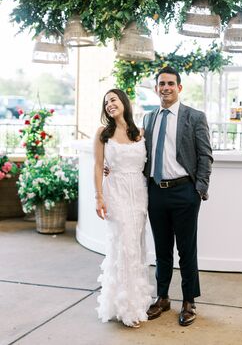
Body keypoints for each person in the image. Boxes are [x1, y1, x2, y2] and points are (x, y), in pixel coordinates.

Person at [143, 66, 213, 326]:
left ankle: (188, 301)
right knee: (161, 250)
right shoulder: (149, 118)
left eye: (171, 84)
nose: (166, 88)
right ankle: (162, 297)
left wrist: (199, 189)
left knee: (186, 250)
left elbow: (205, 155)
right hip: (155, 192)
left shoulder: (194, 117)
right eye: (162, 84)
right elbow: (143, 153)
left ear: (179, 88)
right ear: (156, 88)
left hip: (185, 192)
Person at [93, 88, 153, 328]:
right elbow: (98, 166)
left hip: (138, 193)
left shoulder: (141, 132)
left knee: (135, 247)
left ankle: (135, 302)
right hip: (115, 191)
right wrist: (98, 197)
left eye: (113, 99)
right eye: (106, 102)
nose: (110, 104)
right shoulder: (102, 133)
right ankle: (127, 309)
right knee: (123, 245)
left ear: (124, 102)